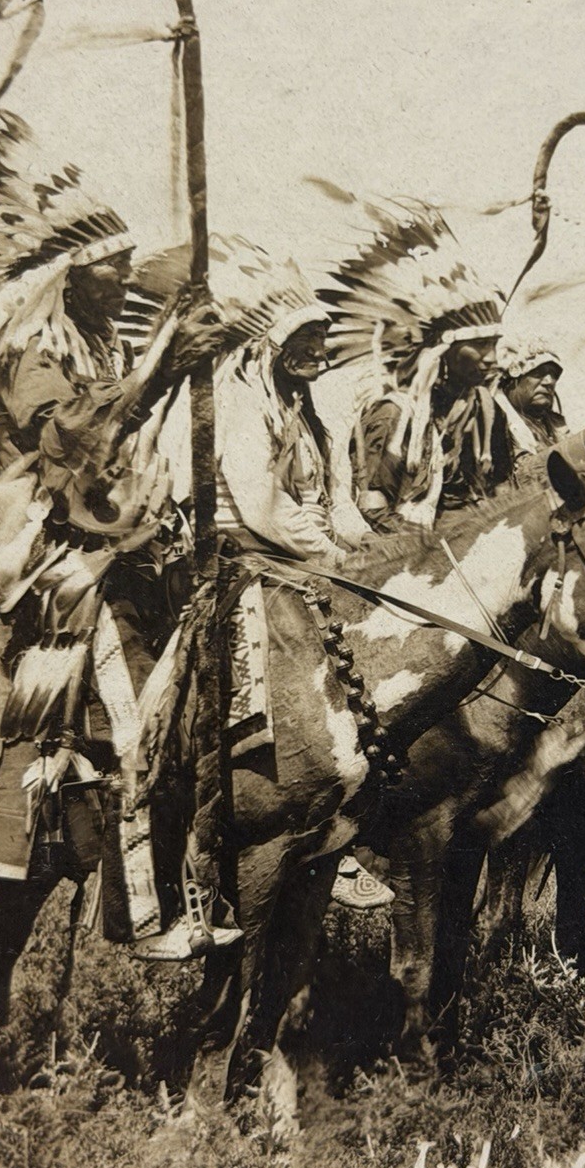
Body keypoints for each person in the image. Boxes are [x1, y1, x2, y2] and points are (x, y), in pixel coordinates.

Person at [0, 111, 234, 959]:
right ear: (71, 276)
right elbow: (67, 442)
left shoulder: (88, 345)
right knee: (135, 706)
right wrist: (162, 367)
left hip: (96, 544)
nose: (123, 280)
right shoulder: (30, 350)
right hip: (35, 556)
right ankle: (142, 911)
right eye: (110, 270)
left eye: (124, 270)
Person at [204, 242, 392, 918]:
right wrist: (332, 559)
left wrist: (377, 551)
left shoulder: (313, 413)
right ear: (273, 344)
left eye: (322, 338)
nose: (317, 349)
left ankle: (343, 833)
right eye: (304, 338)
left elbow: (334, 502)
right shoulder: (238, 400)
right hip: (248, 561)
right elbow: (261, 506)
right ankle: (236, 828)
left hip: (305, 558)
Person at [321, 201, 510, 532]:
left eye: (494, 345)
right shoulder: (394, 415)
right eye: (479, 345)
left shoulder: (482, 411)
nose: (492, 358)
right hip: (403, 558)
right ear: (442, 351)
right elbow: (373, 511)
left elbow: (497, 490)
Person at [495, 337, 585, 473]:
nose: (549, 381)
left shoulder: (553, 424)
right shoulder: (495, 423)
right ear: (512, 380)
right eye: (538, 373)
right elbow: (522, 476)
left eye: (554, 375)